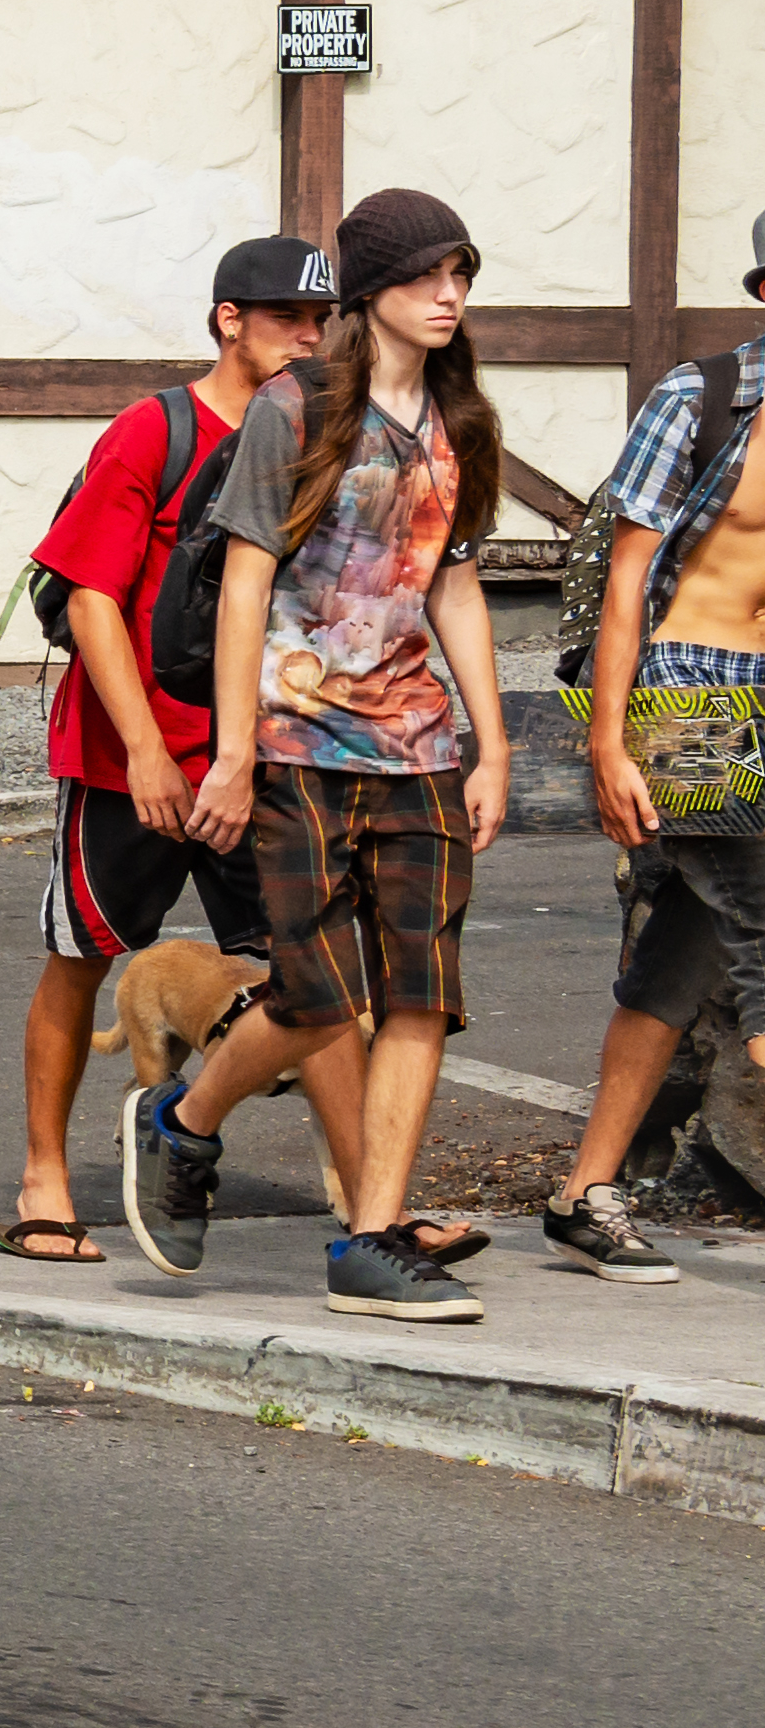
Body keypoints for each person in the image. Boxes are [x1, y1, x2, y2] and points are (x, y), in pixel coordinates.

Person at [124, 188, 510, 1320]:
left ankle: (370, 1238)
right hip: (298, 743)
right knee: (317, 995)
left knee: (421, 996)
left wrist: (490, 747)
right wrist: (233, 753)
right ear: (369, 291)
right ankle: (185, 1119)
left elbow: (454, 585)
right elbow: (245, 583)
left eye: (460, 274)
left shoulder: (460, 418)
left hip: (418, 748)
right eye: (426, 275)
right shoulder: (293, 410)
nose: (448, 294)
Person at [16, 240, 344, 1272]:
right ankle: (42, 1179)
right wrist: (150, 753)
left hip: (263, 756)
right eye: (286, 317)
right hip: (131, 755)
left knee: (315, 973)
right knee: (81, 955)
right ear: (227, 320)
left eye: (321, 320)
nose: (309, 337)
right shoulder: (153, 431)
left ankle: (369, 1205)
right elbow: (90, 599)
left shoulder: (318, 437)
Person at [540, 212, 765, 1282]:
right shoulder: (699, 396)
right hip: (688, 693)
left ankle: (586, 1192)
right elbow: (626, 575)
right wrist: (607, 740)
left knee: (684, 954)